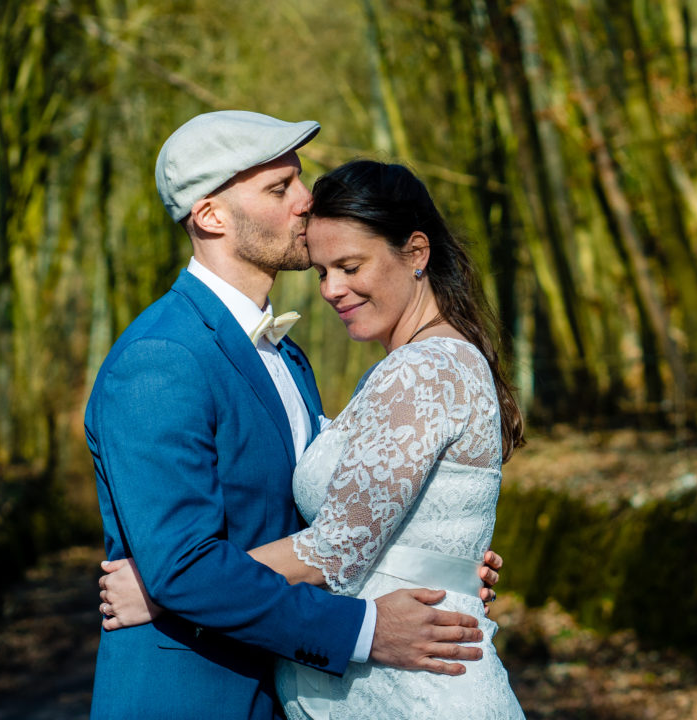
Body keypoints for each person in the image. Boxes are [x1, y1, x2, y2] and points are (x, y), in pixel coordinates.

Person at [84, 111, 503, 720]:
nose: (307, 202)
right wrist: (364, 627)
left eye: (300, 181)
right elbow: (182, 567)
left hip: (290, 690)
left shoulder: (287, 356)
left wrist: (439, 558)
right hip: (197, 696)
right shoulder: (162, 359)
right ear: (210, 216)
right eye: (279, 189)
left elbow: (330, 515)